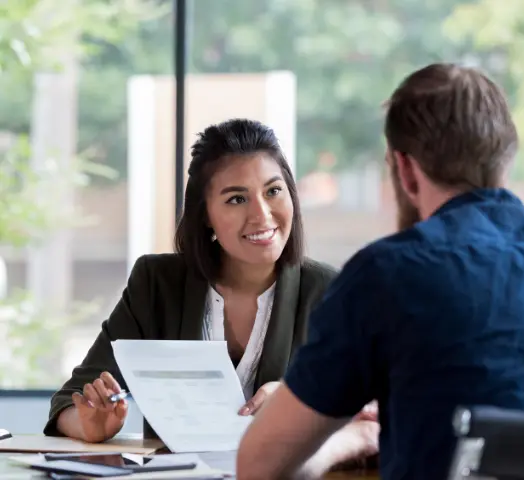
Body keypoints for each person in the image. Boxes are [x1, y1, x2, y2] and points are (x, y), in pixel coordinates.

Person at [236, 64, 524, 480]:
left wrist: (353, 438)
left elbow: (258, 466)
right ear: (506, 157)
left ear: (405, 170)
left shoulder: (386, 275)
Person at [44, 119, 355, 445]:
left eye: (273, 191)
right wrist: (89, 424)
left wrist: (300, 402)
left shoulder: (329, 292)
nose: (262, 215)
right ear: (205, 214)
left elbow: (369, 411)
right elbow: (70, 400)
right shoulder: (157, 284)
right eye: (237, 198)